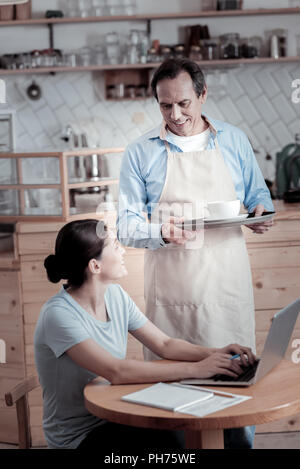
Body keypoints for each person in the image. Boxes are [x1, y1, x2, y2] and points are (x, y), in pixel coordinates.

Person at [117, 58, 274, 448]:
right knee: (171, 413)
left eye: (184, 103)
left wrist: (260, 214)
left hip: (227, 292)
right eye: (165, 105)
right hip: (173, 300)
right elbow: (125, 227)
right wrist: (161, 232)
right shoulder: (140, 152)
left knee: (236, 399)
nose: (176, 114)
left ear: (203, 95)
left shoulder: (234, 140)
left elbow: (259, 198)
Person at [34, 219, 255, 450]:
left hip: (118, 412)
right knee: (174, 441)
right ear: (95, 266)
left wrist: (216, 353)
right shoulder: (58, 315)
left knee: (223, 424)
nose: (122, 251)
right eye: (115, 245)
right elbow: (116, 371)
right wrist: (199, 369)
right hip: (80, 437)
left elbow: (164, 343)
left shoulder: (115, 295)